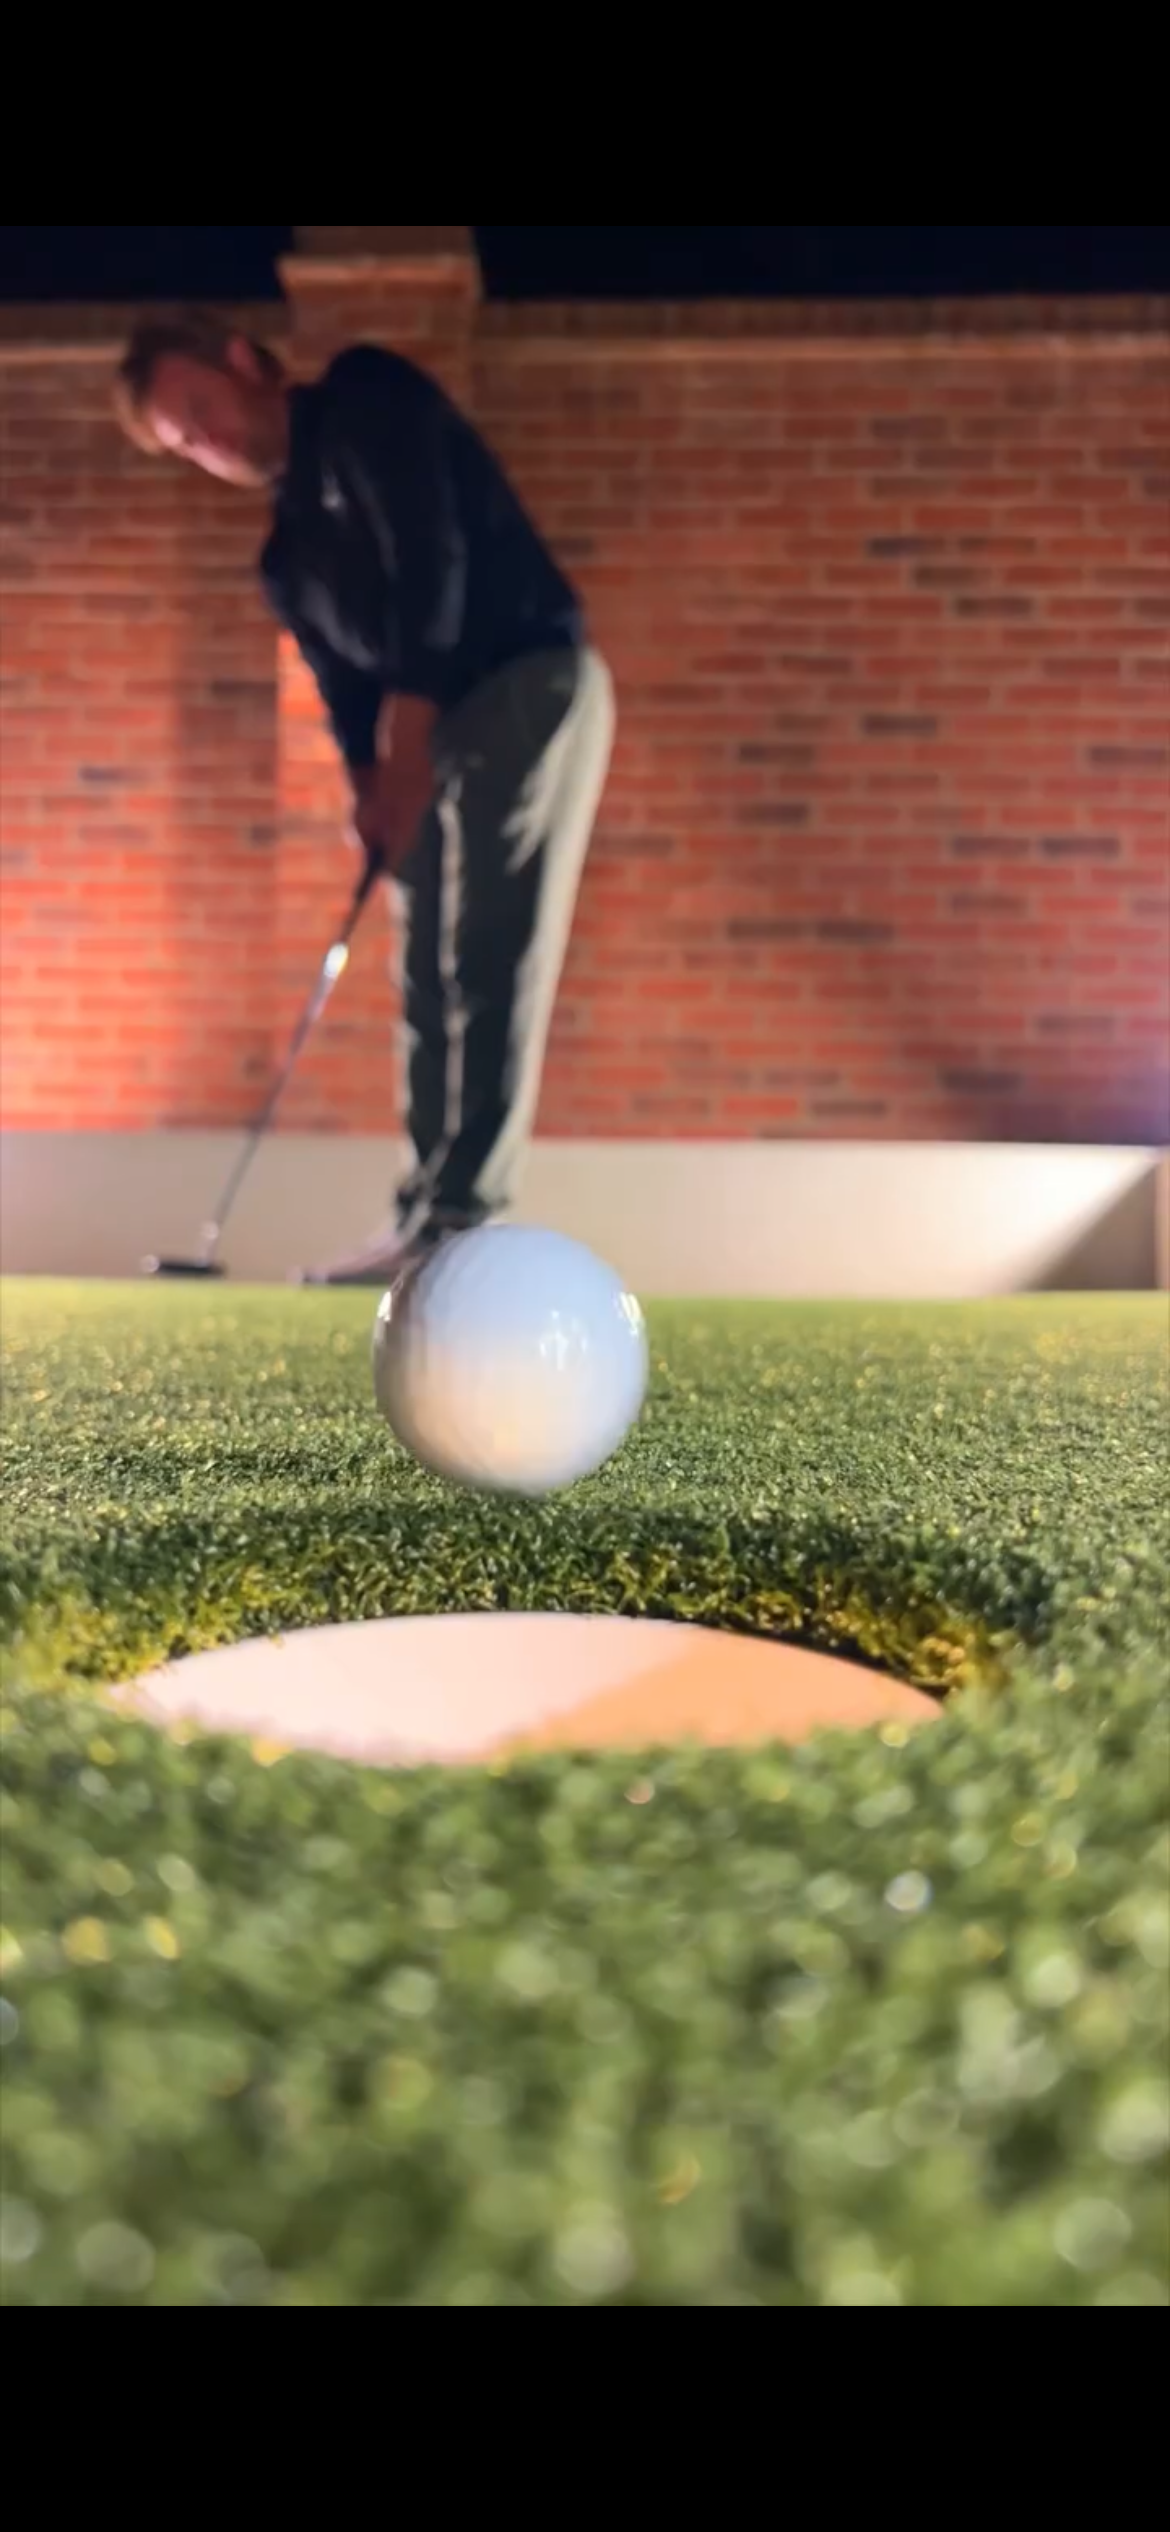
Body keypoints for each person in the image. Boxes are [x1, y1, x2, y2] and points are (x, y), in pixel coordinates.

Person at [115, 315, 615, 1285]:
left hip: (526, 680)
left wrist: (407, 734)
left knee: (487, 951)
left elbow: (433, 554)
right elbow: (349, 700)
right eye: (186, 444)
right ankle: (421, 1213)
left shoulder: (362, 396)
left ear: (244, 362)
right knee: (422, 972)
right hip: (424, 739)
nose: (209, 444)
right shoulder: (285, 564)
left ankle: (465, 1215)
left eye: (202, 412)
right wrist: (367, 792)